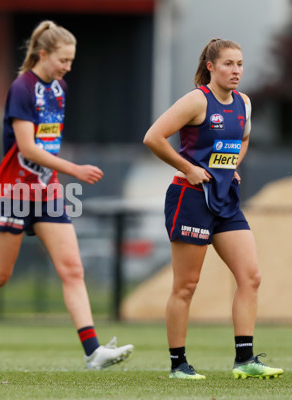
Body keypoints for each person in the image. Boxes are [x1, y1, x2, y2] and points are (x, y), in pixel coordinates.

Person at [0, 20, 134, 370]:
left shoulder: (59, 88)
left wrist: (58, 175)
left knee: (72, 269)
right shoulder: (22, 88)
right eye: (63, 60)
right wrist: (75, 170)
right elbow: (27, 148)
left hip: (47, 192)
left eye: (71, 61)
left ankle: (93, 352)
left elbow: (46, 144)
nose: (68, 67)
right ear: (43, 54)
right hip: (13, 191)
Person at [143, 38, 284, 380]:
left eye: (240, 64)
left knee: (250, 277)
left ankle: (245, 360)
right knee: (186, 286)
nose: (236, 71)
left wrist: (232, 163)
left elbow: (243, 138)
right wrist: (188, 168)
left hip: (226, 199)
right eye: (228, 64)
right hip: (190, 199)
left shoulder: (243, 103)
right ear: (211, 66)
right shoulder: (196, 100)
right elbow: (153, 137)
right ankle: (178, 364)